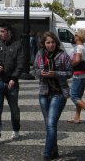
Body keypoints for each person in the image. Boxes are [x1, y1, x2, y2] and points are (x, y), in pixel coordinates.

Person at [33, 31, 72, 160]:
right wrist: (41, 73)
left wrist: (54, 74)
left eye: (53, 42)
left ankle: (47, 154)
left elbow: (69, 72)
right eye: (48, 42)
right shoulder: (40, 54)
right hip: (44, 93)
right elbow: (34, 70)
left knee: (50, 124)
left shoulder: (62, 55)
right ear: (44, 44)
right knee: (49, 125)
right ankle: (54, 151)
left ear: (56, 43)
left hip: (59, 93)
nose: (51, 45)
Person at [0, 23, 24, 146]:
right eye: (0, 31)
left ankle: (16, 129)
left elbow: (20, 64)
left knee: (14, 109)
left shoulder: (18, 45)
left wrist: (14, 78)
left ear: (9, 32)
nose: (0, 34)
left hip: (11, 83)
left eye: (2, 31)